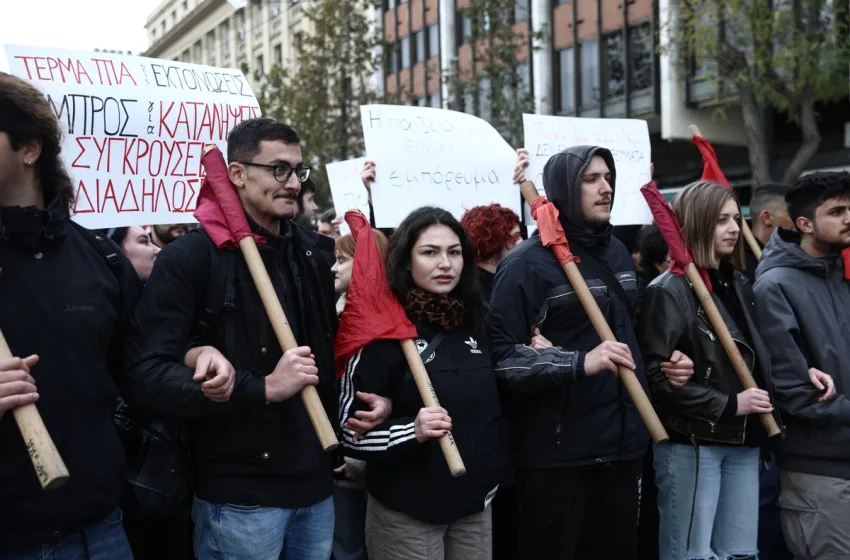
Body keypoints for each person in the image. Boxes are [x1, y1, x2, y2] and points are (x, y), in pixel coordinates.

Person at [122, 117, 344, 559]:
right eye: (278, 169)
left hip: (318, 487)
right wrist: (258, 387)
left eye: (299, 171)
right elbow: (144, 374)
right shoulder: (190, 258)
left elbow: (330, 352)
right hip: (239, 499)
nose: (294, 183)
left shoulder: (313, 254)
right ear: (237, 174)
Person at [489, 146, 694, 559]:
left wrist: (668, 364)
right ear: (565, 188)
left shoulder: (617, 252)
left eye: (608, 178)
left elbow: (630, 337)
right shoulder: (526, 265)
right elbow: (501, 358)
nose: (606, 188)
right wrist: (579, 362)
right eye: (591, 180)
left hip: (624, 448)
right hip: (559, 457)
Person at [0, 72, 141, 558]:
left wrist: (198, 354)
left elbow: (140, 371)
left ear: (30, 149)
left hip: (101, 530)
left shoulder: (100, 259)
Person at [339, 206, 507, 560]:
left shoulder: (479, 320)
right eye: (430, 252)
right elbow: (347, 431)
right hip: (407, 513)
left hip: (474, 508)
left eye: (454, 251)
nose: (445, 263)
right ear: (405, 261)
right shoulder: (381, 332)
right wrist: (409, 430)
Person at [638, 181, 786, 560]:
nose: (735, 228)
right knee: (692, 554)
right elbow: (655, 378)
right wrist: (727, 404)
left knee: (740, 553)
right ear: (697, 222)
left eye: (737, 218)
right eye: (721, 220)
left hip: (744, 438)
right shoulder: (668, 290)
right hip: (695, 442)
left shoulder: (737, 282)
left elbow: (756, 356)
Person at [753, 171, 850, 560]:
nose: (849, 218)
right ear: (804, 224)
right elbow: (795, 393)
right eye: (838, 211)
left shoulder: (842, 276)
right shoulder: (774, 286)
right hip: (818, 474)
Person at [331, 230, 389, 560]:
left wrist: (355, 457)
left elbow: (369, 388)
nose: (333, 268)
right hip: (342, 458)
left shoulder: (381, 324)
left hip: (365, 459)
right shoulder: (337, 313)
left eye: (341, 260)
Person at [460, 203, 522, 302]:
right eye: (515, 237)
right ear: (494, 242)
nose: (522, 242)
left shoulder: (469, 282)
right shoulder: (485, 295)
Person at [744, 183, 793, 281]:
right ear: (767, 217)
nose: (799, 220)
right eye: (791, 214)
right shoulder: (740, 262)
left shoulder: (796, 253)